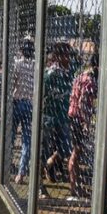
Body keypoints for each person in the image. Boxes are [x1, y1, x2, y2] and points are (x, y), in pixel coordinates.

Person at [41, 42, 74, 188]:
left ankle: (50, 162)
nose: (69, 58)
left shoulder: (70, 72)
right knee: (45, 146)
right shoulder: (51, 74)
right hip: (49, 115)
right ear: (59, 57)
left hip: (63, 115)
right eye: (66, 55)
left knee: (66, 147)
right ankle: (45, 176)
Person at [67, 54, 98, 200]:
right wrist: (86, 122)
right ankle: (74, 188)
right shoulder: (90, 81)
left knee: (76, 152)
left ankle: (76, 187)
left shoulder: (80, 76)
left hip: (72, 116)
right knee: (76, 153)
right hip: (79, 119)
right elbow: (83, 102)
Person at [11, 38, 36, 184]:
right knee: (27, 139)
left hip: (18, 100)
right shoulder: (36, 65)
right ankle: (21, 173)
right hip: (30, 103)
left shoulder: (18, 64)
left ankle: (8, 165)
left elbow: (14, 82)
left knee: (12, 134)